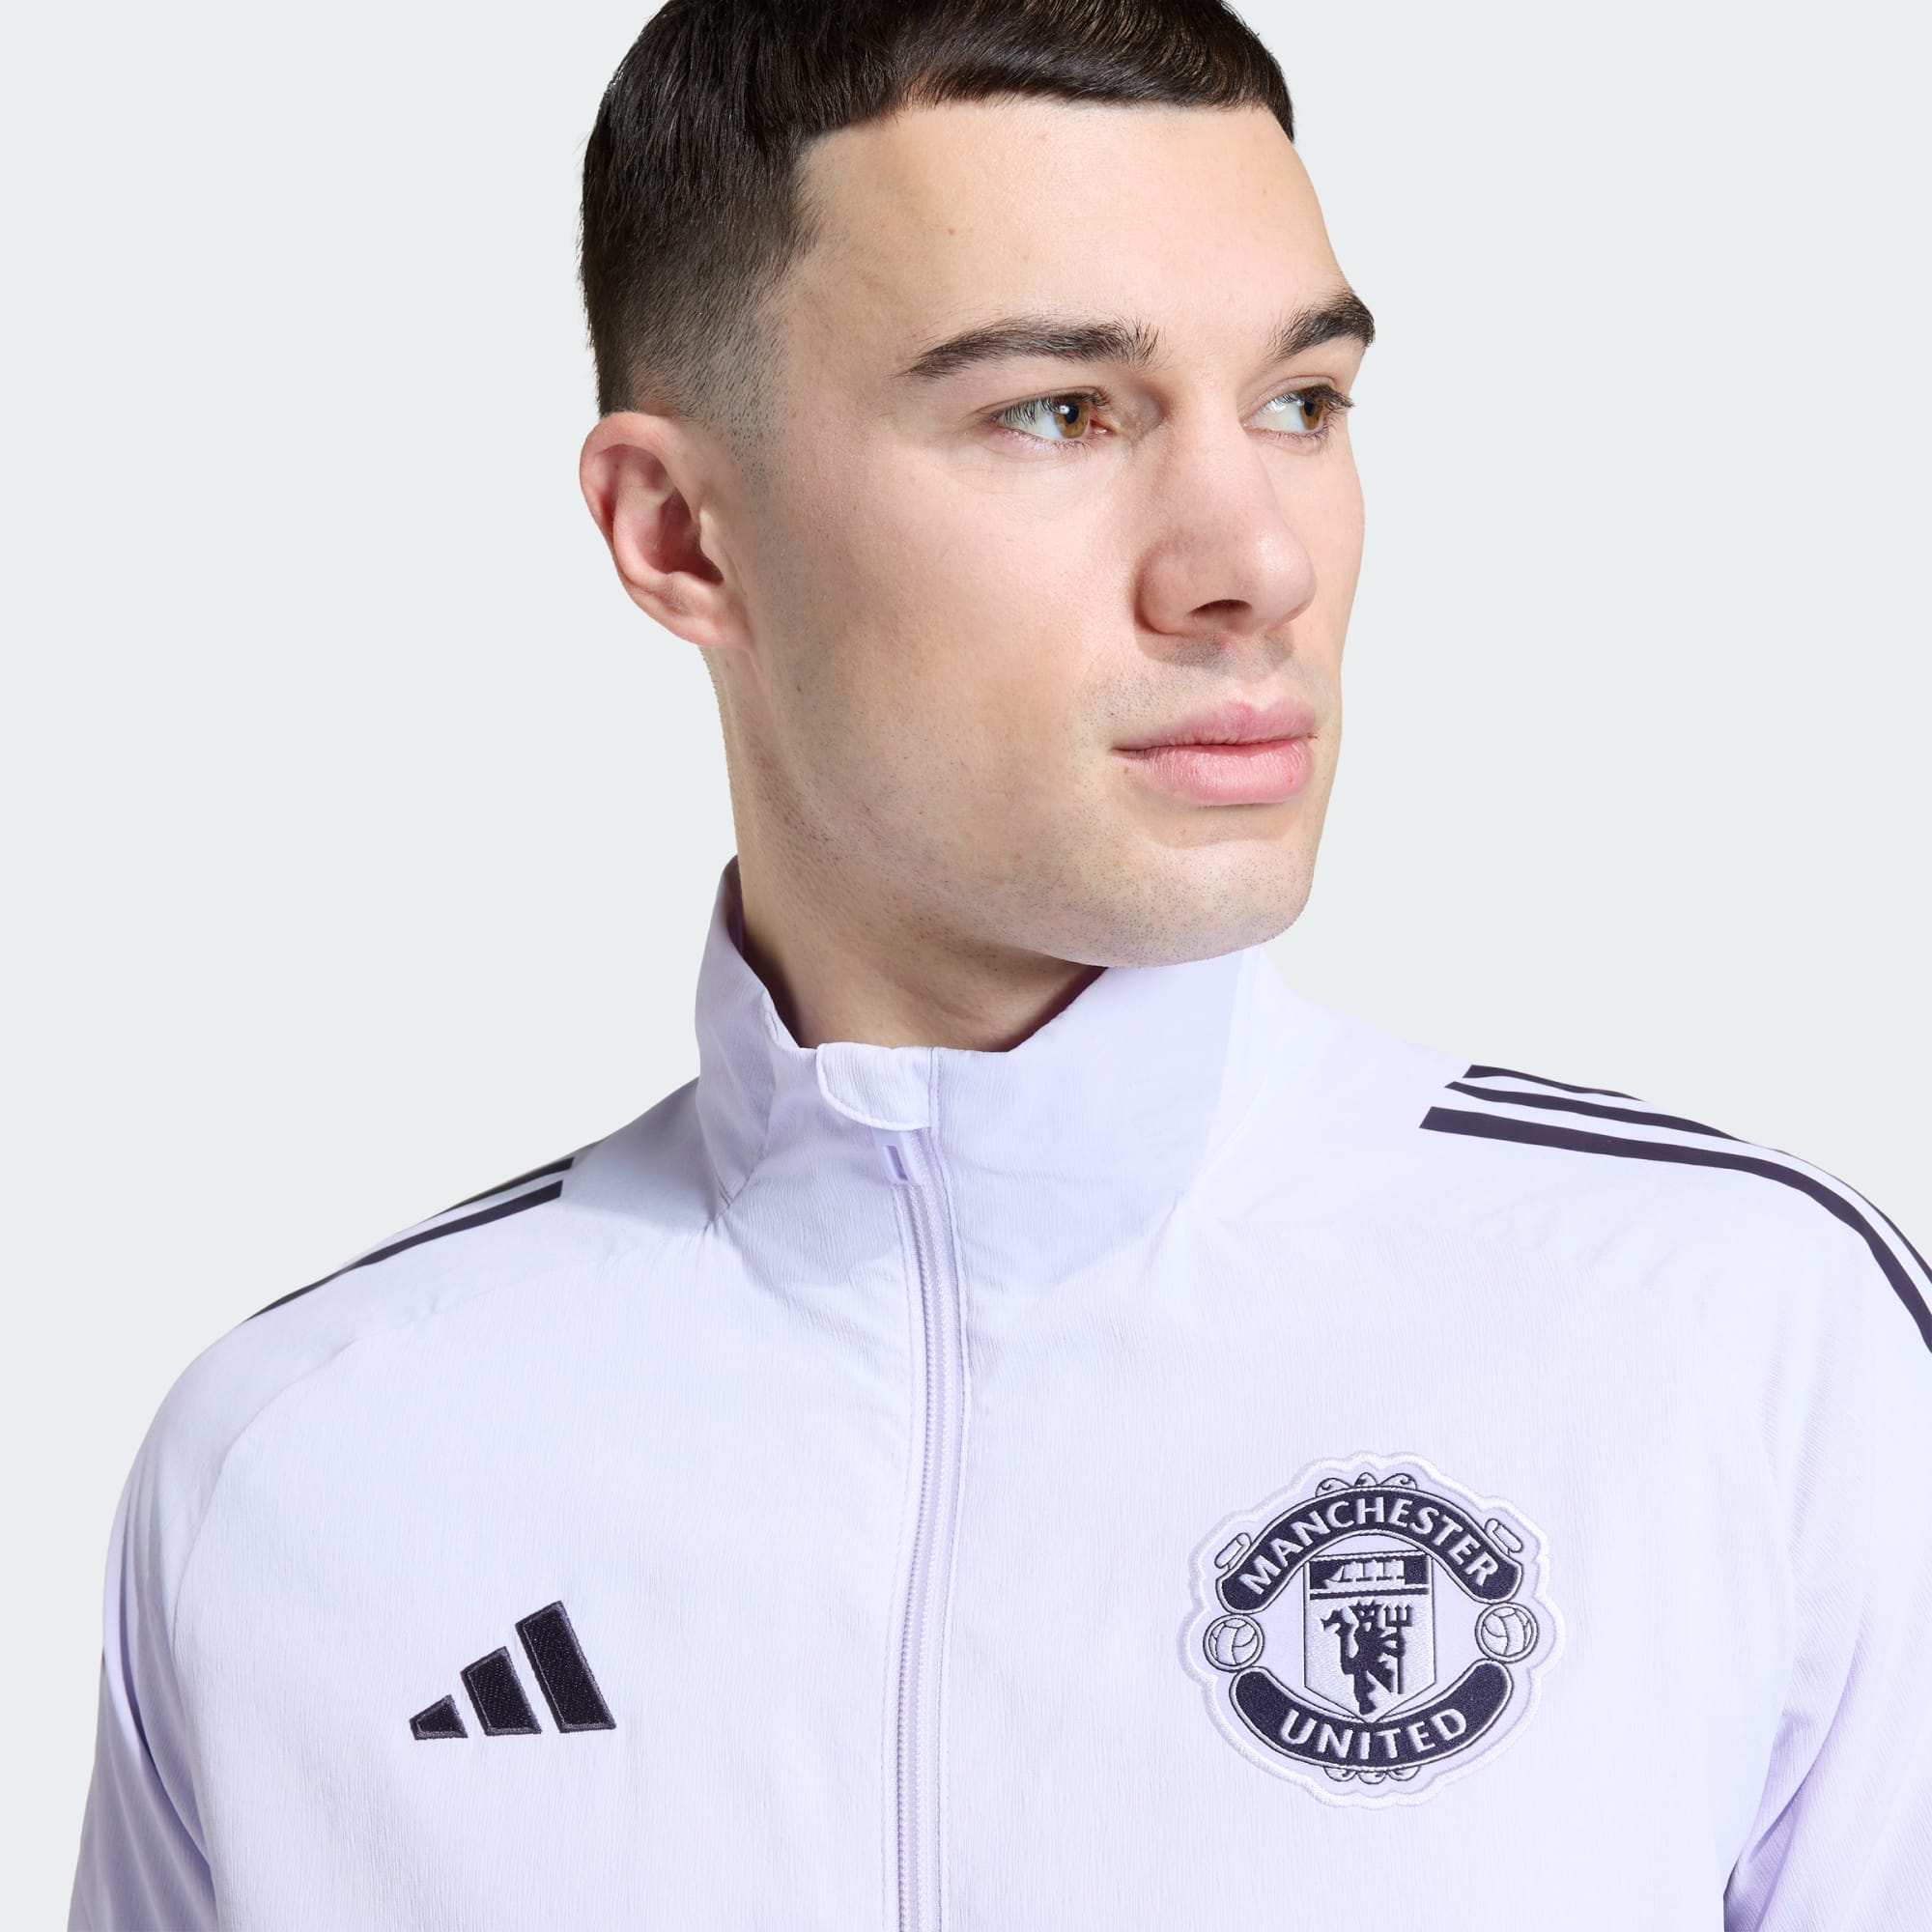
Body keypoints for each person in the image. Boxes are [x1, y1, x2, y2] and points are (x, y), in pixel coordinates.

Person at [71, 1, 1931, 1926]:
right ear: (679, 532)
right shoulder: (307, 1468)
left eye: (1301, 402)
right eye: (1060, 412)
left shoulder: (1742, 1343)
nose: (1257, 564)